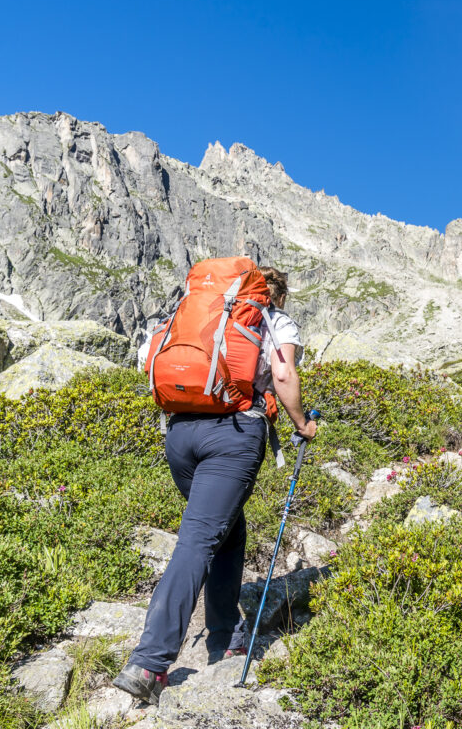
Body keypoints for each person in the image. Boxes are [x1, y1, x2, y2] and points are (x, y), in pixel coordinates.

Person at [112, 266, 317, 705]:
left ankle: (223, 635)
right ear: (273, 295)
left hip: (180, 434)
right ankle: (149, 662)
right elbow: (283, 377)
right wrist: (302, 423)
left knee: (228, 530)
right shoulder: (270, 317)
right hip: (234, 436)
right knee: (198, 540)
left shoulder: (198, 315)